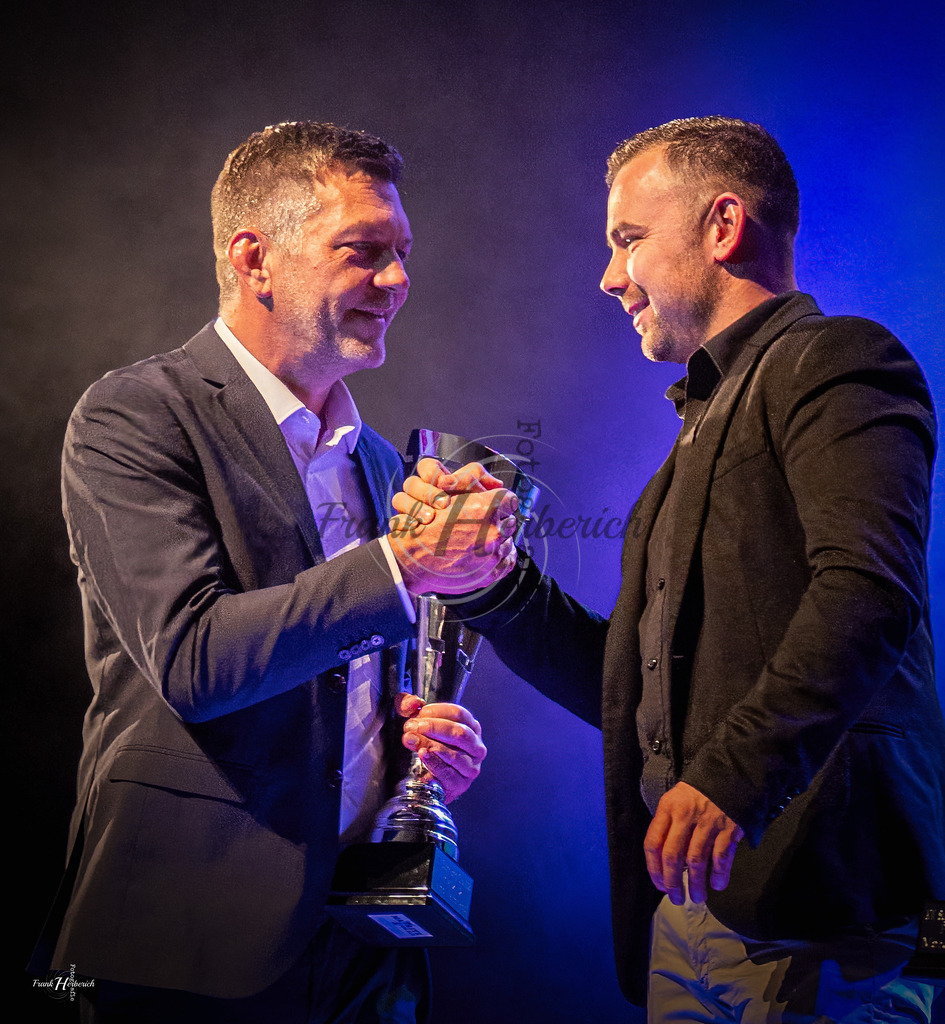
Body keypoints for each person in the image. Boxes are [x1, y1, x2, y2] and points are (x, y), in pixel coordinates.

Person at [393, 116, 945, 1022]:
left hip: (833, 910)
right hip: (691, 914)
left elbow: (867, 592)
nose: (609, 276)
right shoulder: (689, 444)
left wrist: (730, 778)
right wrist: (484, 579)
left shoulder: (839, 359)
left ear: (721, 227)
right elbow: (628, 690)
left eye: (628, 239)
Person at [30, 120, 518, 1023]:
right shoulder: (135, 415)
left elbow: (341, 680)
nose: (398, 281)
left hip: (363, 946)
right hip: (186, 937)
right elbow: (195, 662)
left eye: (403, 254)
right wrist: (405, 564)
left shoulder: (380, 461)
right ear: (254, 259)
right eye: (363, 251)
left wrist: (411, 756)